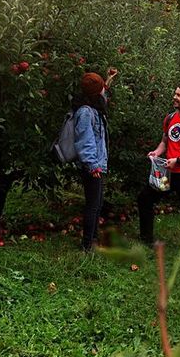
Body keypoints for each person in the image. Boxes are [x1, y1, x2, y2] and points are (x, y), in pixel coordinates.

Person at [138, 83, 180, 259]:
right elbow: (165, 142)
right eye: (174, 94)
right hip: (167, 173)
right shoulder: (170, 118)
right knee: (145, 198)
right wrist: (157, 152)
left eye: (179, 95)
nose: (174, 97)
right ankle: (146, 238)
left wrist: (178, 160)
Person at [74, 68, 118, 251]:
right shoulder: (86, 112)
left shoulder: (93, 107)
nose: (103, 90)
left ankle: (93, 240)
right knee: (93, 205)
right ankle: (87, 245)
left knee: (98, 203)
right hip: (93, 165)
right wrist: (93, 166)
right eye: (101, 87)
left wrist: (108, 80)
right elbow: (85, 141)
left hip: (98, 163)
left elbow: (102, 93)